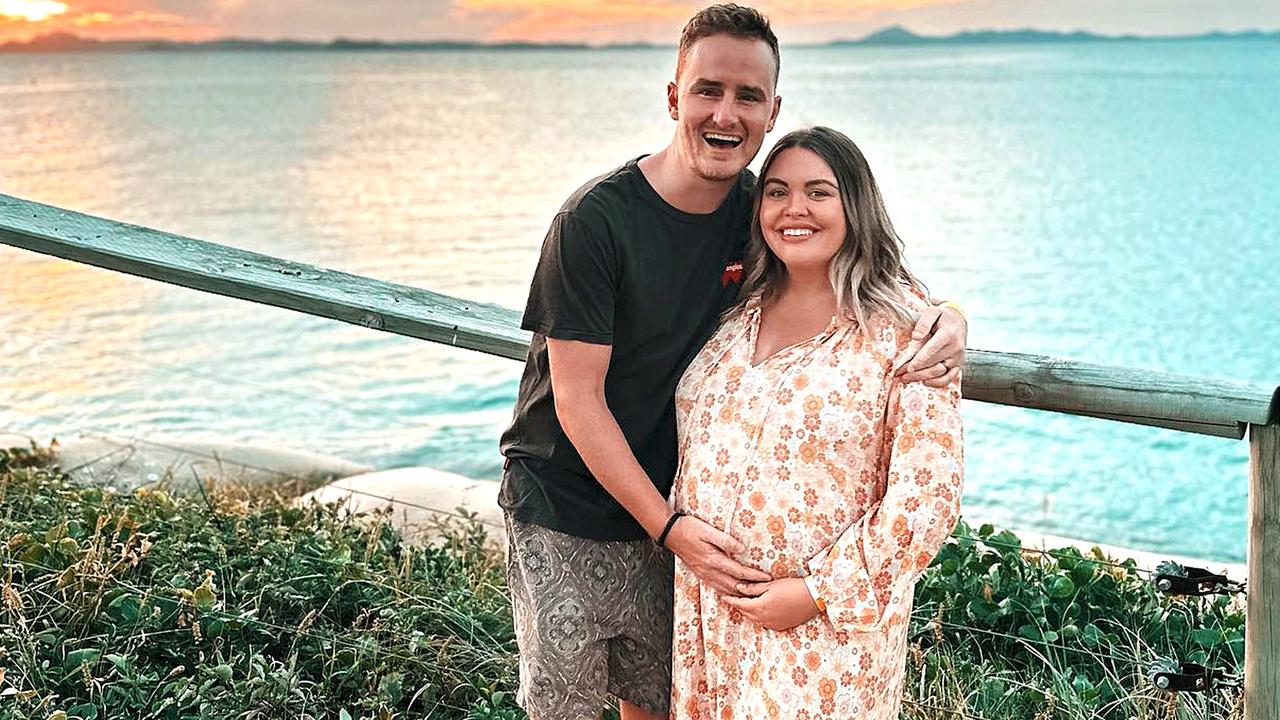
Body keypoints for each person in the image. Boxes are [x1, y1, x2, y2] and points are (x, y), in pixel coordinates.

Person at [498, 6, 967, 720]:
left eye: (748, 96)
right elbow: (577, 402)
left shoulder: (758, 215)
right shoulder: (593, 223)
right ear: (673, 98)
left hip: (681, 526)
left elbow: (859, 264)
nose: (726, 112)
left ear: (772, 110)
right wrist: (669, 527)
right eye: (708, 90)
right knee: (567, 708)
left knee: (658, 700)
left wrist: (951, 315)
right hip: (573, 504)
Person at [668, 125, 963, 719]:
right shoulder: (735, 313)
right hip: (707, 615)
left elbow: (927, 499)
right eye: (776, 192)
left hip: (824, 636)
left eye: (818, 192)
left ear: (854, 206)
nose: (794, 209)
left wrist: (815, 594)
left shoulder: (906, 334)